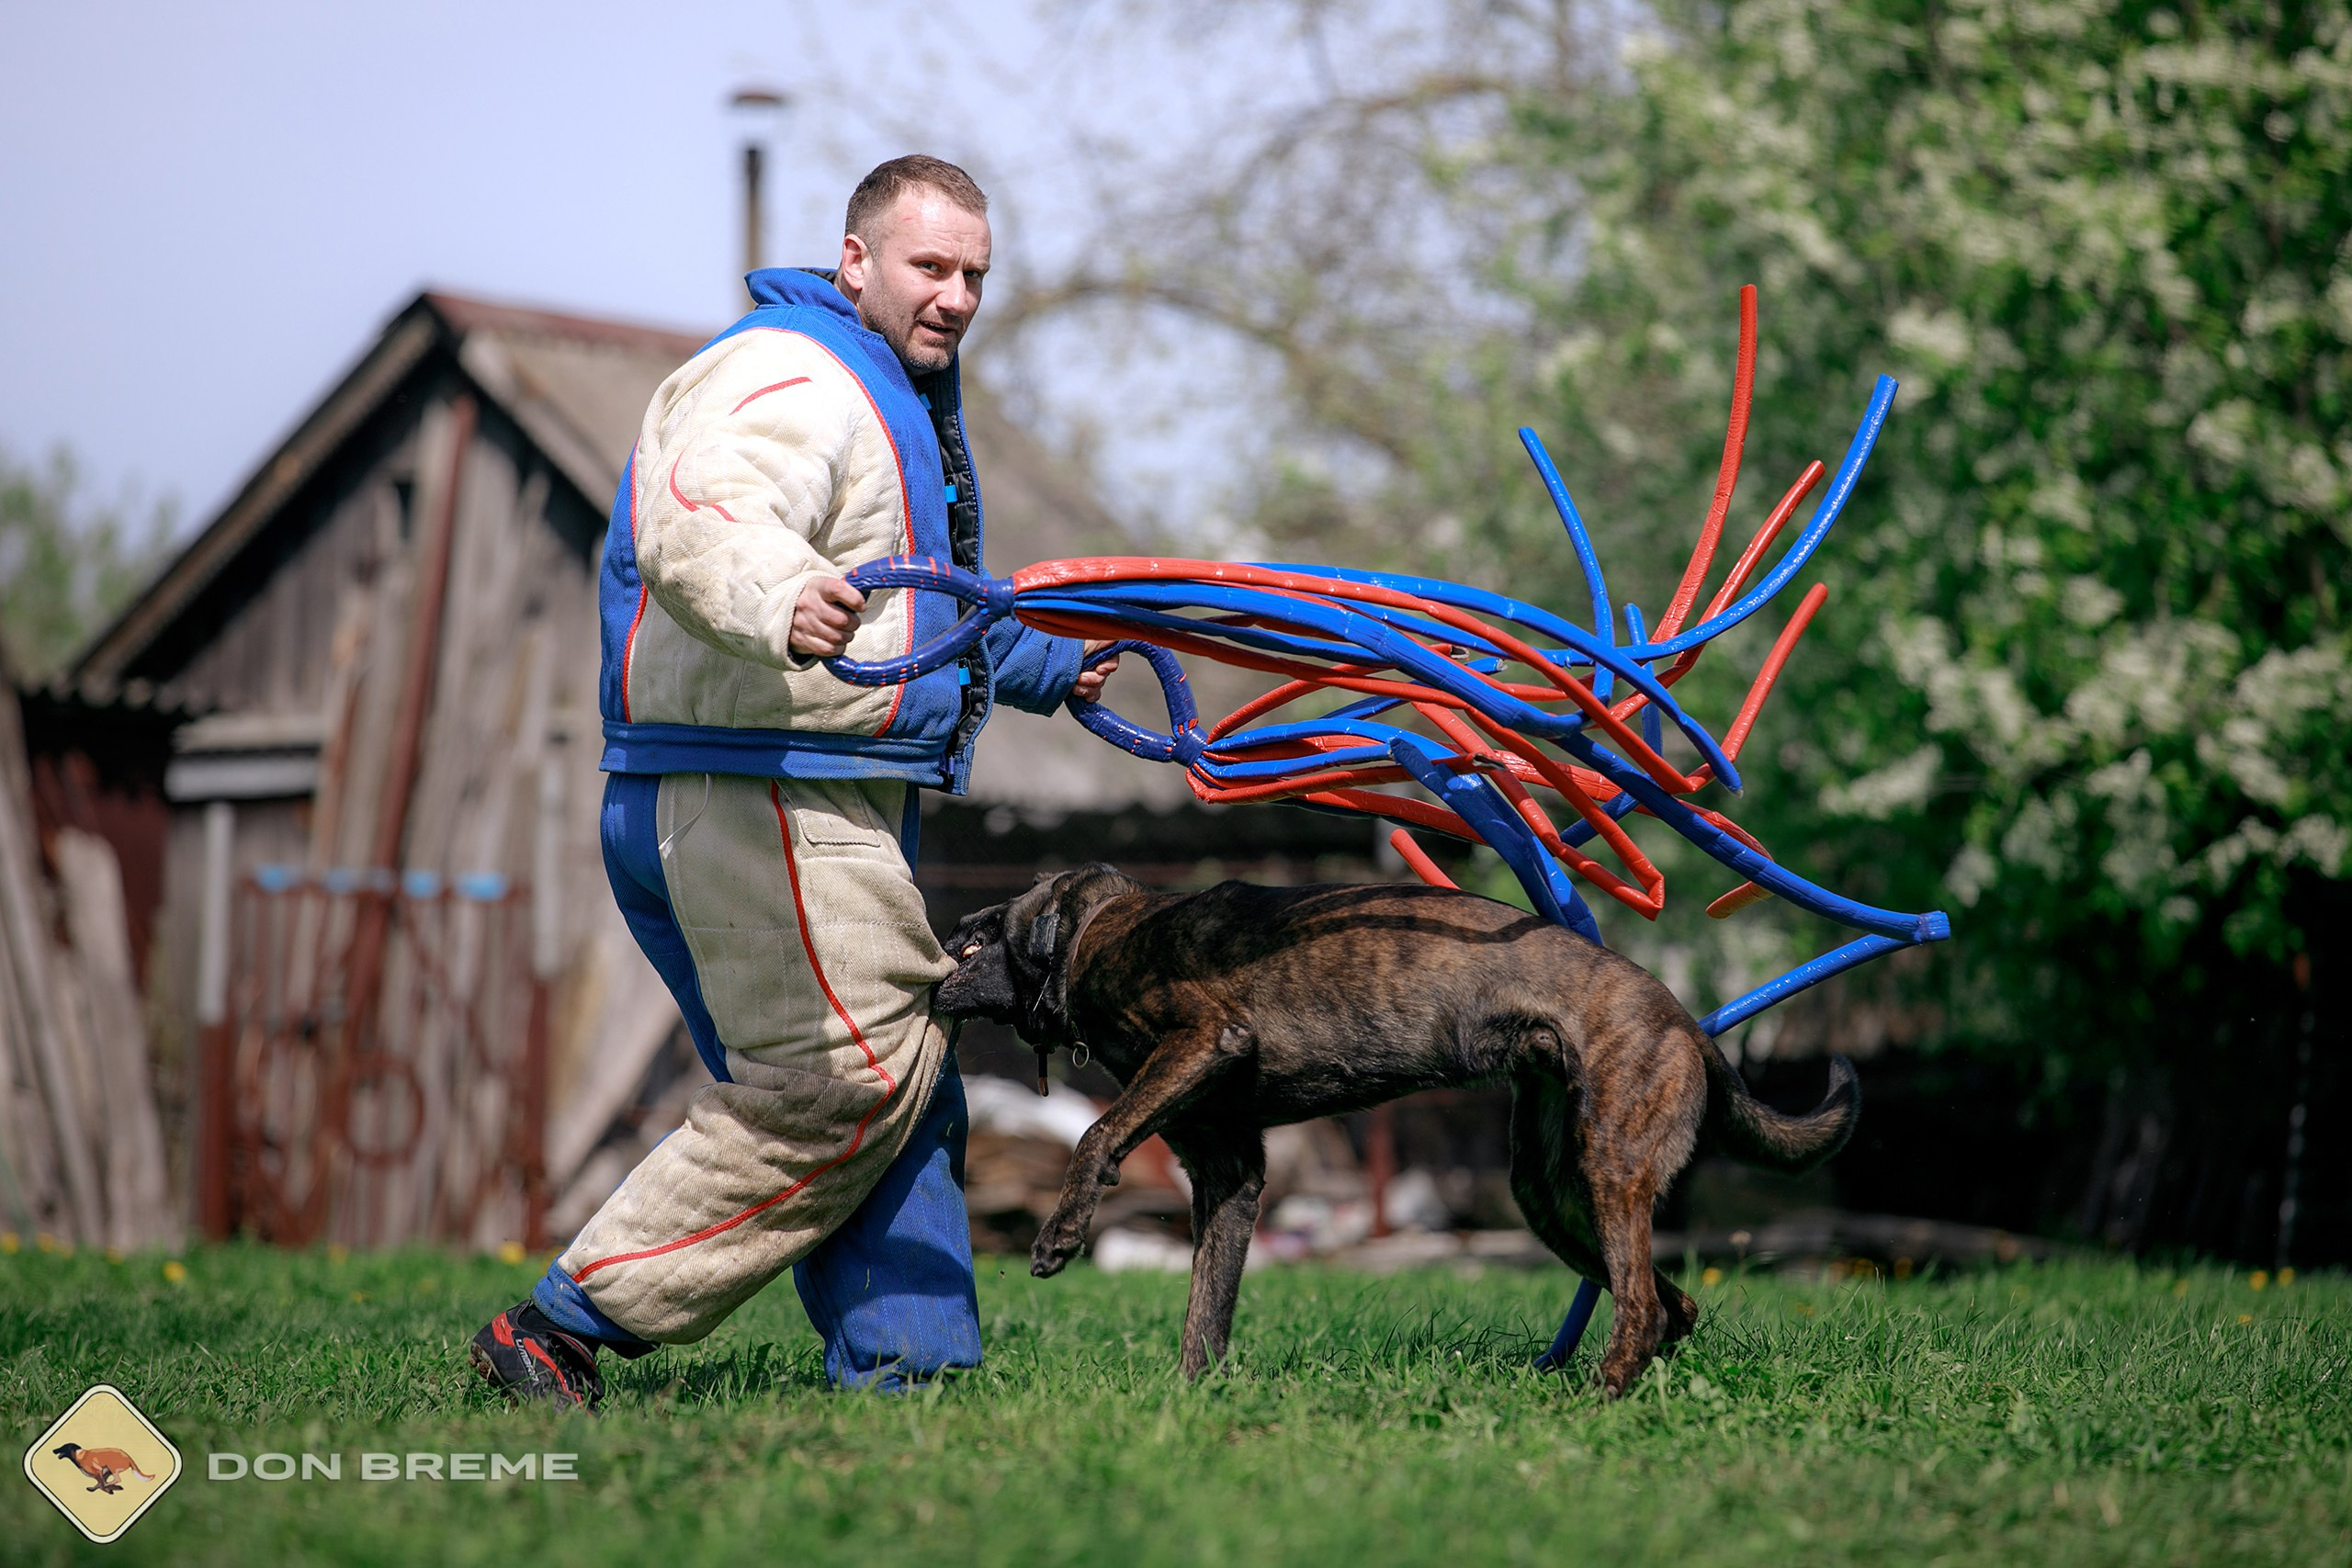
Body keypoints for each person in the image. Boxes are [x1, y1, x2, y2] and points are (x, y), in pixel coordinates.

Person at [469, 154, 1117, 1408]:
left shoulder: (888, 393)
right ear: (855, 261)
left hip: (794, 793)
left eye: (977, 274)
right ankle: (566, 1325)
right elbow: (703, 515)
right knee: (846, 1084)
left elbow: (912, 604)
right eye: (932, 266)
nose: (958, 296)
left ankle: (909, 1378)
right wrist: (777, 594)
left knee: (904, 1087)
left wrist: (1046, 665)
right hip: (757, 793)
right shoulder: (789, 373)